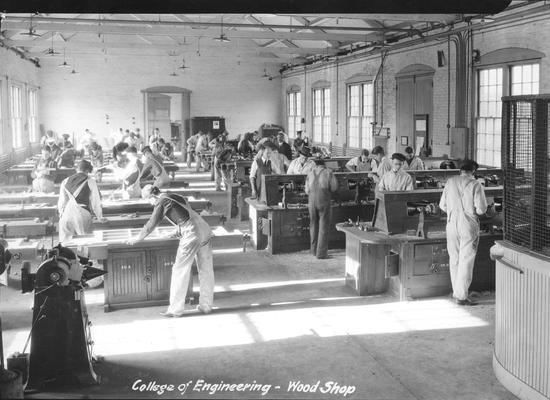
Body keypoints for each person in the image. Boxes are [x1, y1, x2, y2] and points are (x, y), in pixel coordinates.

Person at [127, 185, 214, 317]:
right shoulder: (175, 196)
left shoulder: (161, 201)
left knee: (180, 271)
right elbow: (187, 217)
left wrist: (137, 238)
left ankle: (175, 309)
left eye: (149, 201)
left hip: (192, 234)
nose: (151, 204)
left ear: (151, 196)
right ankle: (206, 306)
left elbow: (152, 223)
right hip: (205, 229)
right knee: (206, 270)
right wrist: (174, 232)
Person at [439, 160, 488, 306]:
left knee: (454, 259)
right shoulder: (476, 184)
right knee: (466, 260)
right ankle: (461, 296)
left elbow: (442, 205)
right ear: (474, 171)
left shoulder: (450, 181)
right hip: (468, 223)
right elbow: (481, 209)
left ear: (461, 170)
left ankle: (457, 292)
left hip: (451, 222)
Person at [57, 160, 104, 243]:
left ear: (77, 169)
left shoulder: (65, 181)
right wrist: (100, 217)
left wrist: (61, 214)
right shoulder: (90, 181)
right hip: (82, 214)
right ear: (87, 171)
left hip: (66, 215)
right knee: (84, 243)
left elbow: (62, 202)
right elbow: (95, 201)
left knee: (66, 244)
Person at [305, 159, 338, 259]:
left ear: (315, 165)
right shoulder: (328, 172)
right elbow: (334, 188)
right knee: (323, 226)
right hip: (323, 201)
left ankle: (313, 251)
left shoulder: (310, 173)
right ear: (324, 165)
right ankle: (321, 254)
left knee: (313, 225)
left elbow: (306, 190)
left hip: (311, 202)